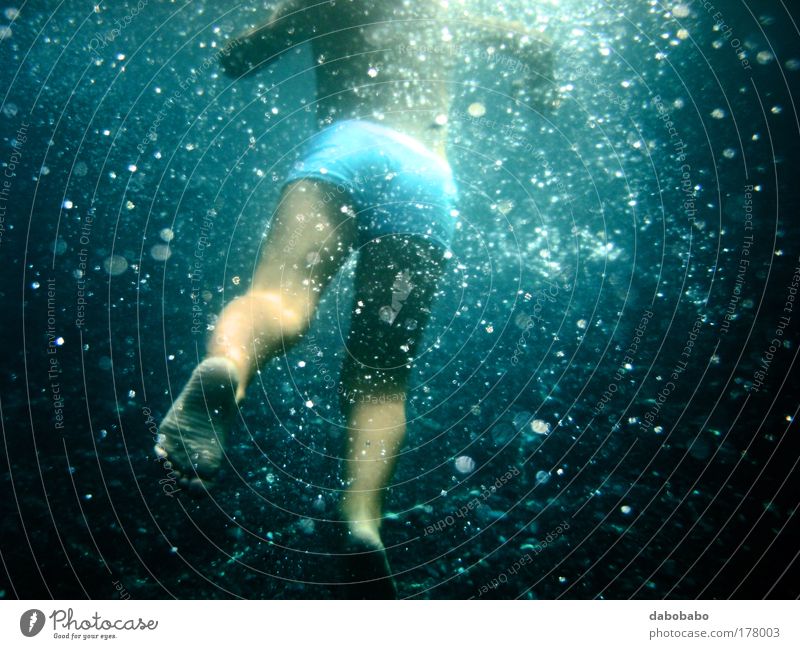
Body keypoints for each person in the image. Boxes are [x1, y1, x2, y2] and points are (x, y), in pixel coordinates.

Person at [156, 0, 553, 598]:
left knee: (279, 302)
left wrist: (283, 21)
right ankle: (363, 520)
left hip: (348, 148)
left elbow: (237, 58)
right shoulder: (451, 8)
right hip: (425, 178)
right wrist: (541, 88)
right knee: (382, 376)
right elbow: (539, 46)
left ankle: (229, 369)